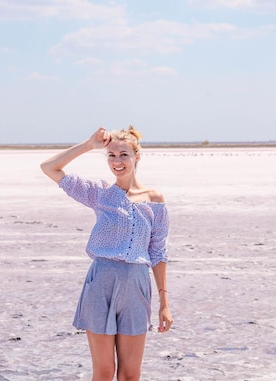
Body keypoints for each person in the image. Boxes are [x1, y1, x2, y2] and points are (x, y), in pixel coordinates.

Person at [40, 126, 173, 381]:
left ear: (137, 156)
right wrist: (89, 144)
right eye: (111, 156)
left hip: (136, 284)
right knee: (104, 372)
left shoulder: (155, 200)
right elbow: (50, 168)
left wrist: (164, 304)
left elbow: (158, 252)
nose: (117, 161)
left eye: (123, 154)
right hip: (101, 283)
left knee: (130, 375)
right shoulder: (99, 193)